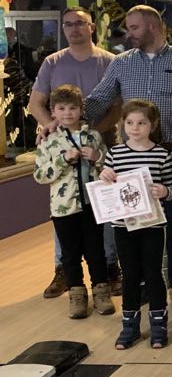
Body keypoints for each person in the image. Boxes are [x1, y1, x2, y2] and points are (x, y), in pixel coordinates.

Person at [84, 5, 172, 300]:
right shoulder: (121, 63)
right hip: (132, 155)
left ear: (152, 26)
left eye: (134, 28)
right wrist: (64, 122)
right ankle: (139, 280)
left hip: (171, 152)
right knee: (133, 219)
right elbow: (99, 99)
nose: (129, 34)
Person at [29, 7, 119, 300]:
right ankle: (64, 270)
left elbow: (118, 106)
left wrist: (92, 132)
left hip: (99, 146)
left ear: (91, 27)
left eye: (80, 23)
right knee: (64, 206)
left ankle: (109, 267)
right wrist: (53, 128)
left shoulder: (109, 61)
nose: (74, 28)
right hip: (63, 151)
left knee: (103, 209)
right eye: (68, 24)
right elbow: (35, 103)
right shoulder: (52, 62)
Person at [100, 100, 172, 349]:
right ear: (123, 124)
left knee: (153, 273)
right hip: (123, 226)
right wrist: (104, 176)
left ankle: (159, 324)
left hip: (152, 225)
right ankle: (129, 326)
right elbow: (106, 184)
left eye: (142, 123)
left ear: (152, 125)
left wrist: (164, 191)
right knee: (130, 274)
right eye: (130, 122)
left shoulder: (161, 155)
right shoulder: (115, 153)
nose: (135, 128)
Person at [33, 85, 112, 319]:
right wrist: (62, 160)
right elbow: (40, 175)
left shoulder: (94, 136)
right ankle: (77, 293)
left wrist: (97, 157)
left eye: (73, 108)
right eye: (61, 108)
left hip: (93, 205)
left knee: (96, 250)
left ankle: (101, 291)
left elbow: (109, 165)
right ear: (53, 111)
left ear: (81, 110)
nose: (67, 113)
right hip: (64, 207)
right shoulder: (48, 140)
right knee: (70, 253)